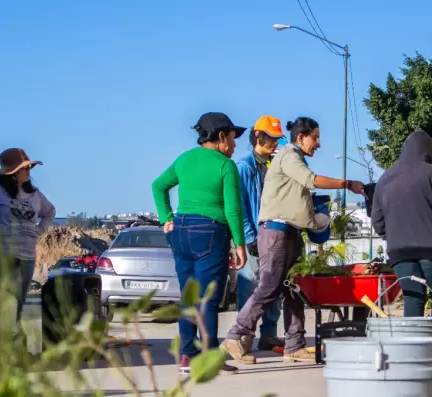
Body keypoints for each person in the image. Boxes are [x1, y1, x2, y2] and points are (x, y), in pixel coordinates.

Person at [222, 117, 365, 364]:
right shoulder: (289, 155)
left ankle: (295, 344)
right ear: (301, 137)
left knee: (294, 289)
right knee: (269, 286)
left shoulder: (289, 158)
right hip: (275, 232)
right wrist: (346, 184)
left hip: (290, 232)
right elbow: (311, 179)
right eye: (315, 137)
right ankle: (237, 335)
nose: (318, 143)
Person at [152, 112, 248, 374]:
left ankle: (187, 356)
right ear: (220, 137)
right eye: (232, 137)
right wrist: (239, 244)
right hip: (210, 231)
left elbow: (158, 185)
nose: (235, 144)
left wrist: (166, 218)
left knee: (188, 295)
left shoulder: (184, 159)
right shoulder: (225, 166)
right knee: (207, 298)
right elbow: (233, 210)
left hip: (181, 229)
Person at [371, 130, 432, 320]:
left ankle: (415, 348)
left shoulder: (385, 179)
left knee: (413, 298)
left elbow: (377, 222)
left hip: (400, 252)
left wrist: (395, 238)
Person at [0, 148, 56, 322]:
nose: (28, 171)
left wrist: (39, 231)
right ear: (12, 172)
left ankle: (10, 341)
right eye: (24, 168)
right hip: (2, 254)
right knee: (0, 302)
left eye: (28, 167)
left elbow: (50, 211)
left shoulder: (34, 194)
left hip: (27, 257)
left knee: (17, 304)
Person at [235, 115, 285, 354]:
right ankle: (242, 337)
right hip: (254, 237)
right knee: (250, 288)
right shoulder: (244, 167)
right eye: (271, 138)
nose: (275, 143)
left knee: (273, 287)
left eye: (277, 139)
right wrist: (248, 238)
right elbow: (240, 206)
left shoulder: (273, 166)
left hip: (273, 235)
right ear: (258, 136)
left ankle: (269, 335)